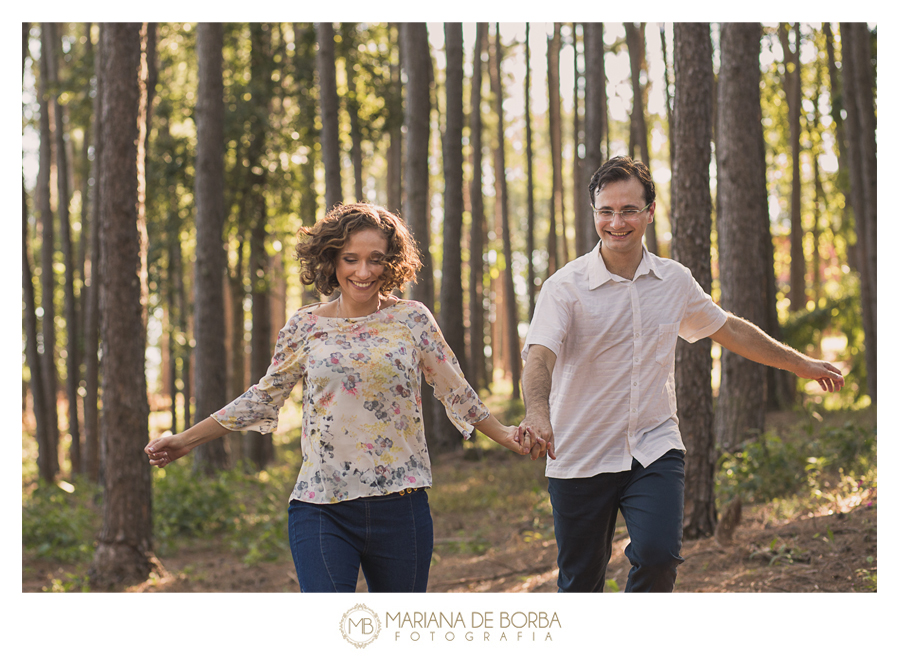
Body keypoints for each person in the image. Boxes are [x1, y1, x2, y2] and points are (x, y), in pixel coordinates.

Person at [146, 203, 535, 593]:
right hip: (321, 506)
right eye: (351, 259)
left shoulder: (412, 319)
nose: (363, 272)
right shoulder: (304, 325)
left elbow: (455, 387)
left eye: (375, 260)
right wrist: (183, 441)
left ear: (391, 263)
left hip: (400, 506)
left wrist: (504, 435)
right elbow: (262, 397)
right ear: (331, 259)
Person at [520, 156, 844, 593]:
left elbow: (727, 328)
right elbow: (538, 357)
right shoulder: (565, 287)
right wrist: (537, 414)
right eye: (606, 211)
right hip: (579, 454)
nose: (617, 222)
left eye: (629, 209)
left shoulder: (673, 281)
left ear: (650, 212)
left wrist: (800, 364)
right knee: (580, 584)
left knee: (658, 557)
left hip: (652, 447)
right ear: (594, 213)